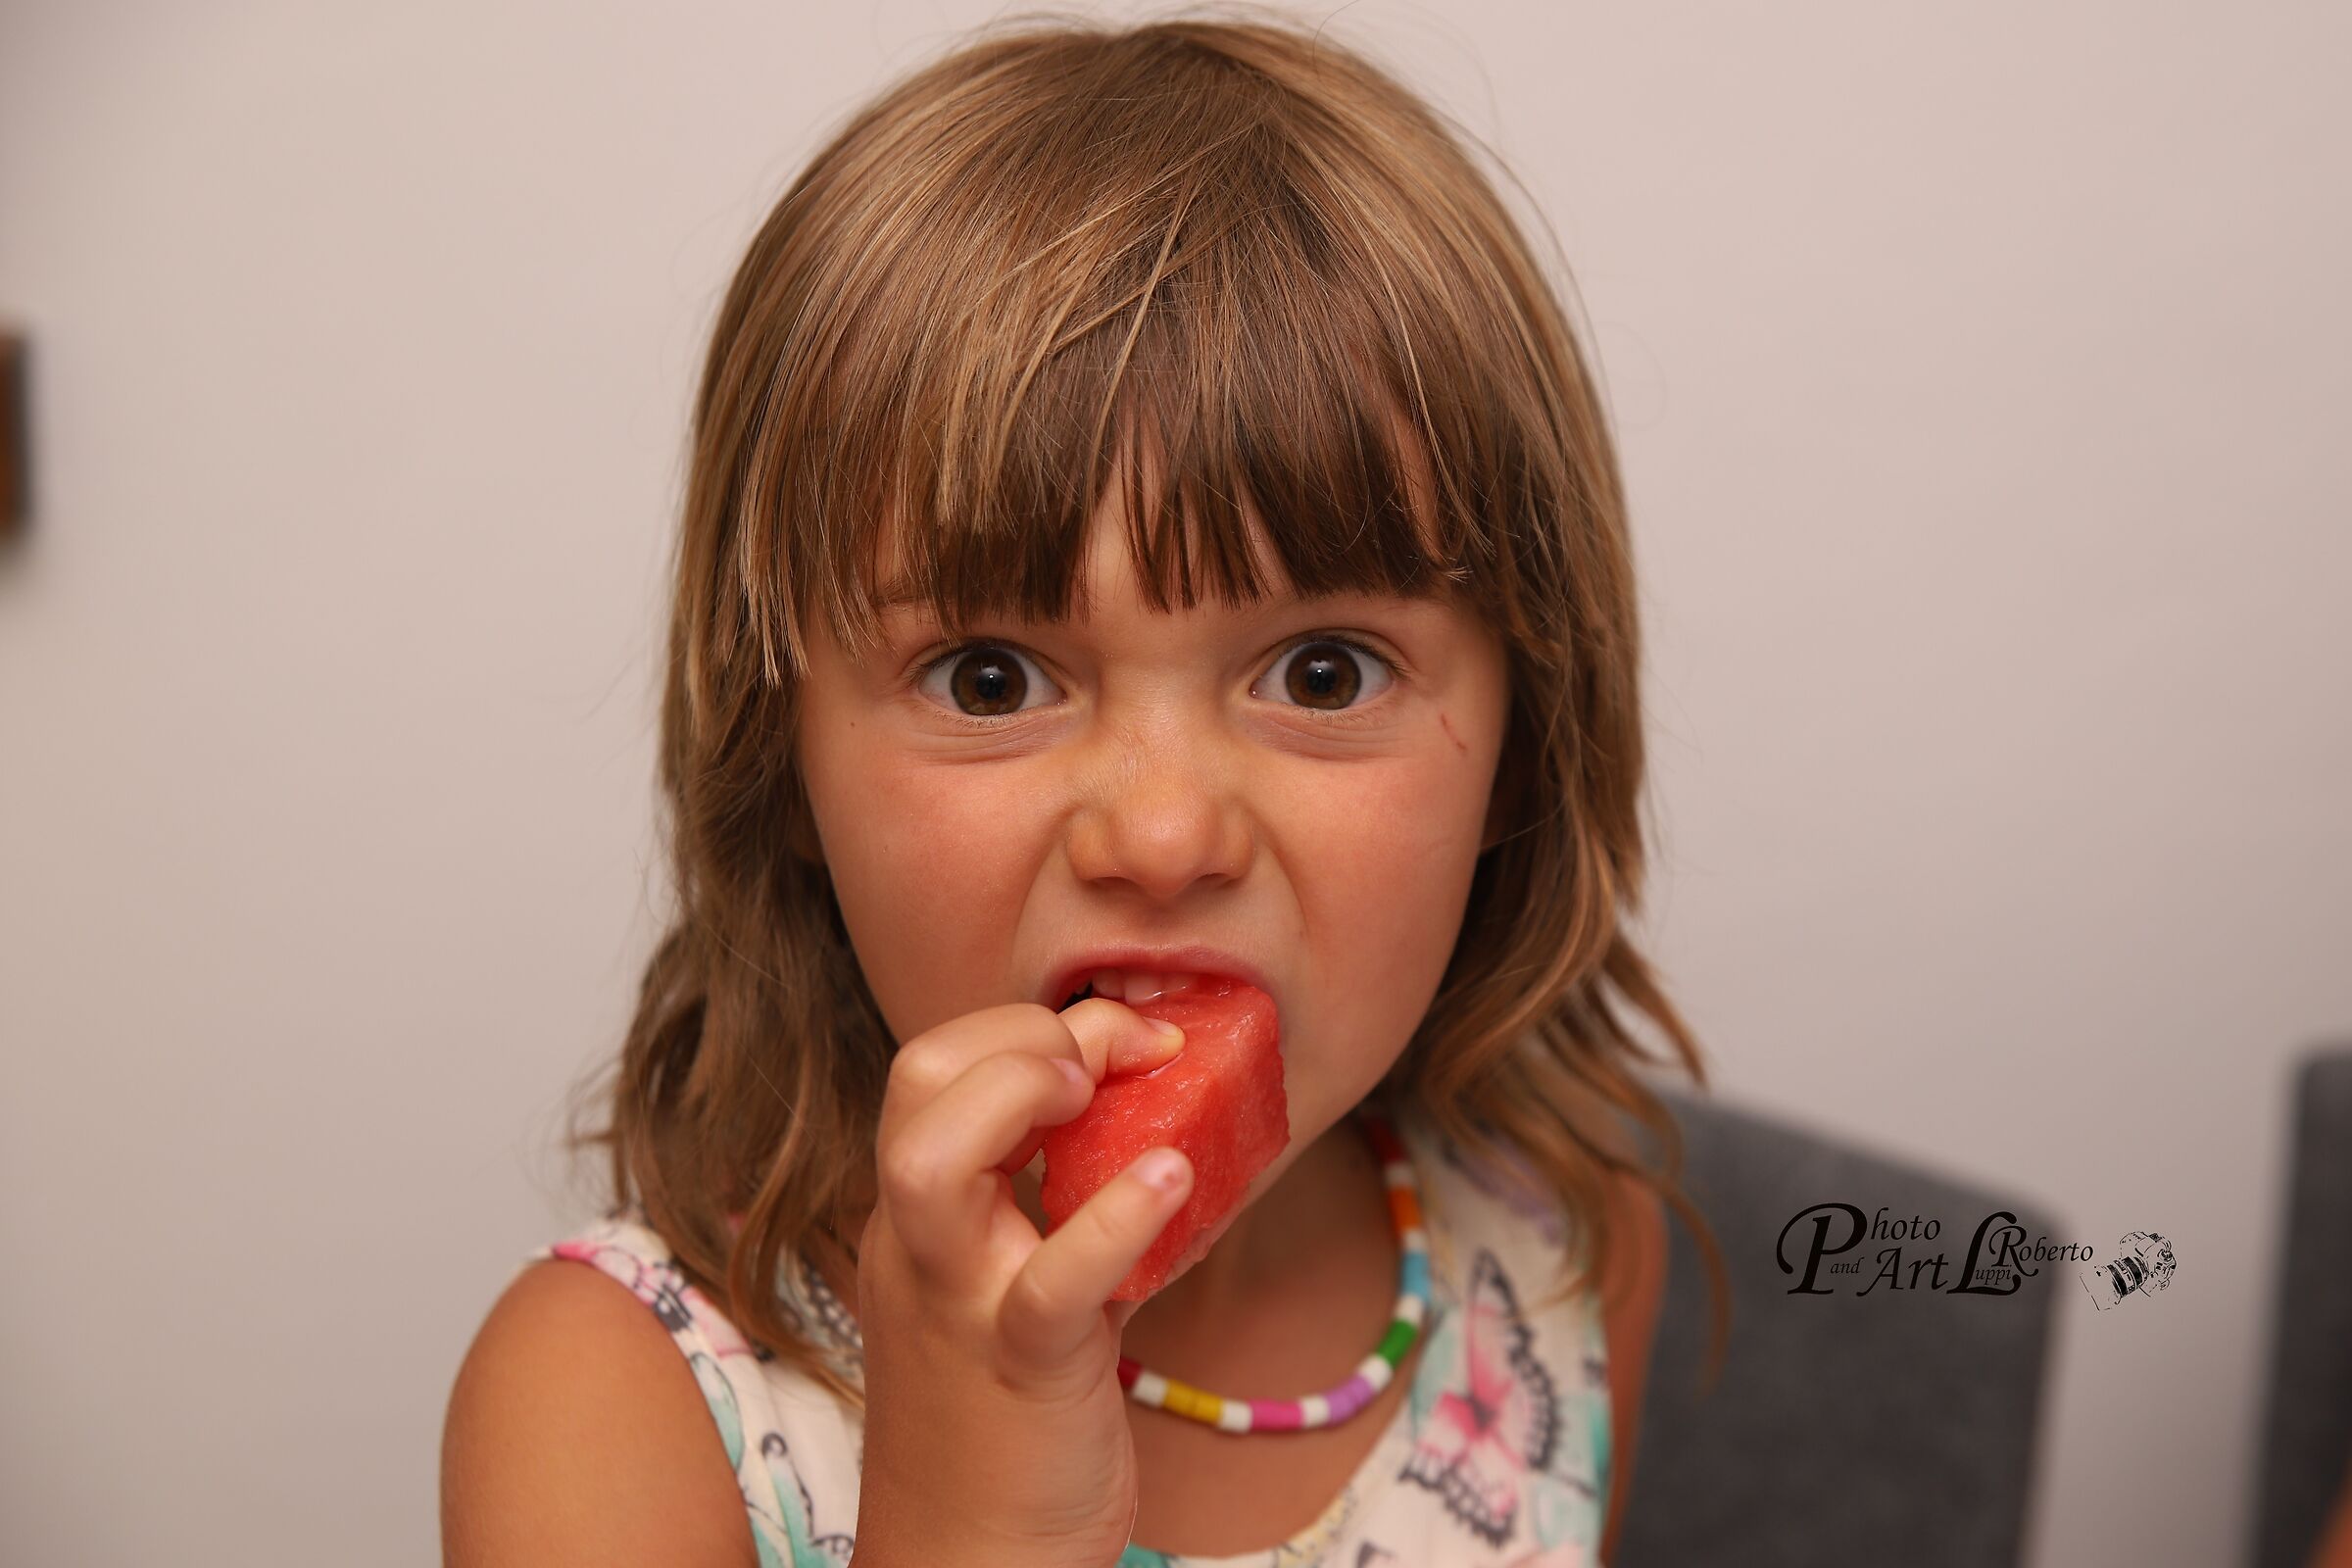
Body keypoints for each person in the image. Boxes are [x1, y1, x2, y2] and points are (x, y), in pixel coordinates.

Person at [442, 11, 1728, 1566]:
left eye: (1323, 673)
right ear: (777, 760)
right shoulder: (609, 1406)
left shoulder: (1570, 1262)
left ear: (1531, 739)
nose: (1165, 834)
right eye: (991, 678)